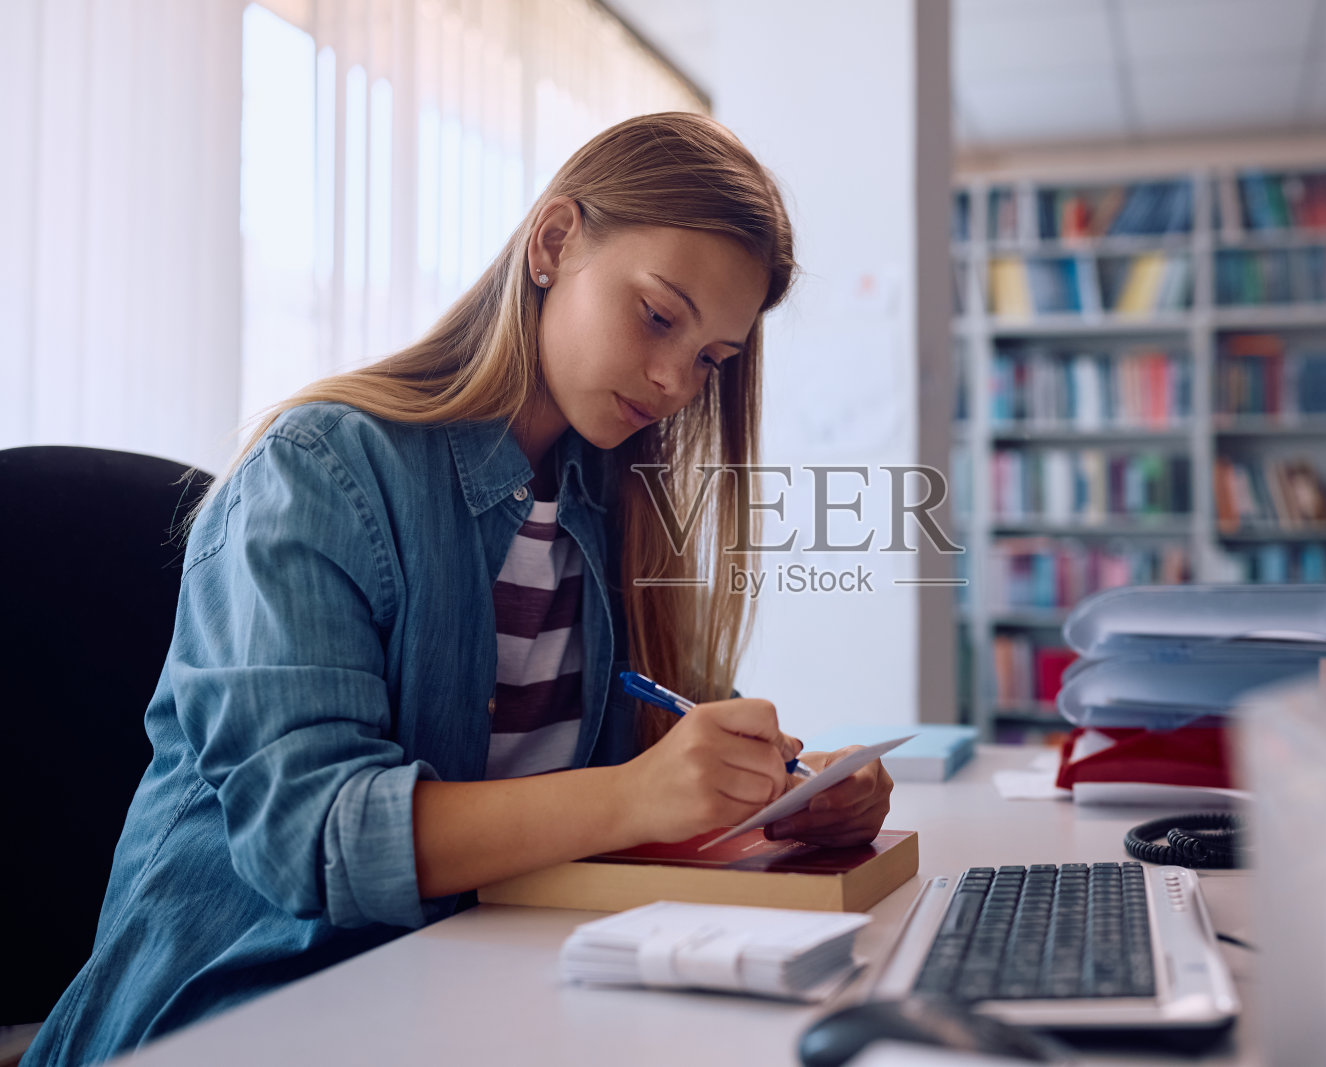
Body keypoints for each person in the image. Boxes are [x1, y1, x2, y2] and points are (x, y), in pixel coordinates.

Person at [25, 112, 893, 1067]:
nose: (673, 378)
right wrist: (639, 795)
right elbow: (315, 837)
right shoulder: (319, 470)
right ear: (555, 243)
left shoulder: (608, 502)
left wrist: (787, 787)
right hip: (239, 1008)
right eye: (657, 314)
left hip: (479, 985)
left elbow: (671, 733)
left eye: (709, 361)